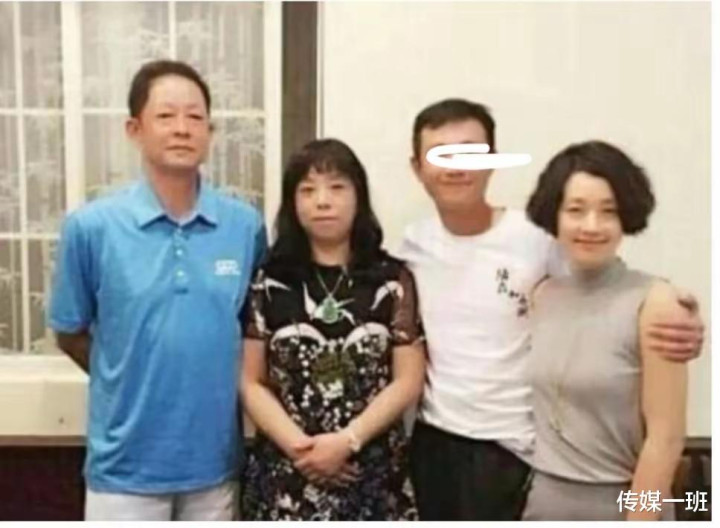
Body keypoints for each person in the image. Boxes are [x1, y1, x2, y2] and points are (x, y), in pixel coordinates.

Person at [394, 98, 703, 520]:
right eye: (440, 155)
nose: (590, 225)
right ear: (417, 168)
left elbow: (665, 440)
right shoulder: (413, 246)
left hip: (531, 460)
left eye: (469, 153)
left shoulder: (539, 241)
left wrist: (679, 311)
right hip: (471, 460)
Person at [48, 60, 266, 521]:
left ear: (210, 131)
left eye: (195, 116)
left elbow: (253, 332)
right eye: (166, 116)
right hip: (123, 471)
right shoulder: (91, 228)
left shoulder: (244, 226)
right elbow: (70, 332)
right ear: (135, 129)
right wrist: (127, 372)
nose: (182, 128)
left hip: (214, 466)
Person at [240, 138, 425, 520]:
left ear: (359, 197)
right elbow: (250, 382)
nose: (322, 201)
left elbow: (408, 379)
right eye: (307, 190)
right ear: (292, 203)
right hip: (287, 474)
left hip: (370, 472)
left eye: (337, 187)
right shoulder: (269, 281)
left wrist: (348, 440)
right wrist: (303, 451)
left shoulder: (392, 280)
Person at [522, 140, 687, 520]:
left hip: (626, 500)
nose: (592, 226)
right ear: (554, 215)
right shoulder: (543, 295)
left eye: (608, 212)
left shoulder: (656, 302)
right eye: (576, 210)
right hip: (545, 502)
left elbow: (666, 438)